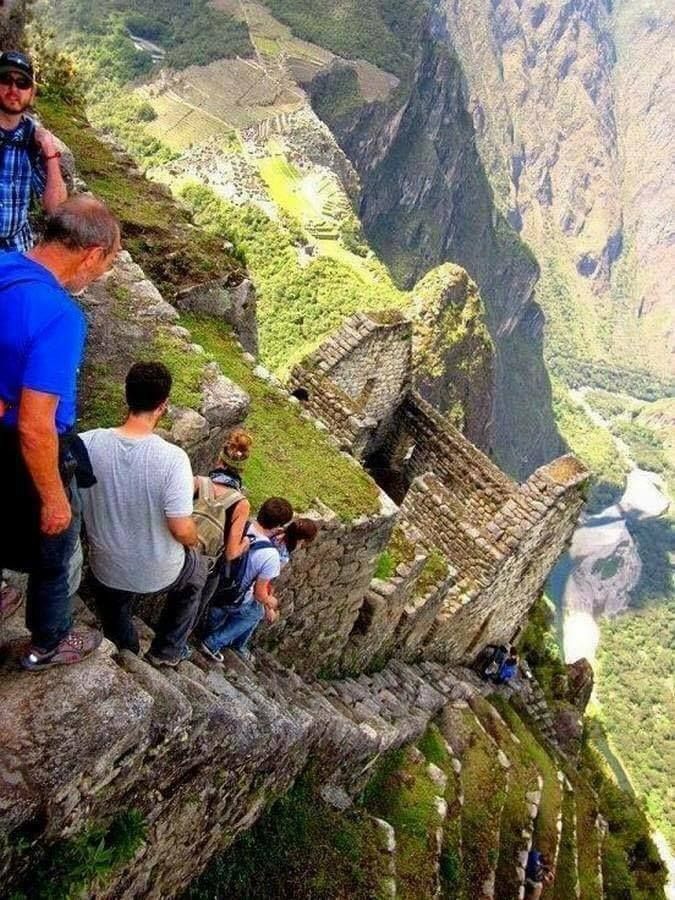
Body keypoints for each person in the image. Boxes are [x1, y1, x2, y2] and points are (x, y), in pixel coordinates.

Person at [0, 196, 121, 671]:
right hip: (20, 448)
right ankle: (48, 642)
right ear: (91, 254)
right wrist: (54, 498)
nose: (97, 277)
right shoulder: (59, 315)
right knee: (55, 549)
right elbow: (36, 426)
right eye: (103, 266)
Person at [79, 362, 208, 667]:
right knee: (196, 574)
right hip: (160, 572)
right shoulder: (172, 459)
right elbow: (180, 527)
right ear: (163, 405)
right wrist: (194, 540)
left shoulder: (86, 443)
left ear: (126, 396)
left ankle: (125, 648)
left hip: (106, 568)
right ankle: (166, 650)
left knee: (113, 602)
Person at [200, 497, 293, 664]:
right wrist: (270, 602)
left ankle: (206, 631)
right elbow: (259, 594)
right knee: (256, 612)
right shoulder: (271, 556)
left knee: (218, 609)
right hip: (233, 597)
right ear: (279, 526)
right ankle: (212, 643)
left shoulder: (240, 525)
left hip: (214, 585)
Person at [0, 51, 68, 252]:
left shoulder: (32, 139)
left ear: (31, 93)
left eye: (22, 83)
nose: (13, 89)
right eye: (6, 79)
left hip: (16, 248)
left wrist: (49, 151)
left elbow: (56, 208)